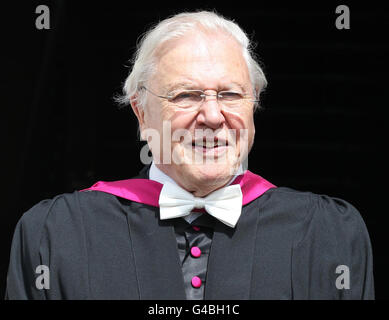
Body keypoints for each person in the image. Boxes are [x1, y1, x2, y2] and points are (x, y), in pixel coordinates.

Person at [6, 10, 374, 300]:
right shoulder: (57, 234)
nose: (213, 116)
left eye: (230, 94)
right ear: (141, 112)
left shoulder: (329, 235)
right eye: (186, 95)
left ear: (253, 105)